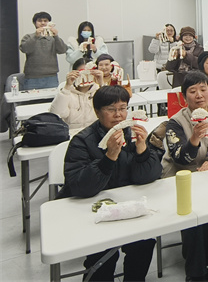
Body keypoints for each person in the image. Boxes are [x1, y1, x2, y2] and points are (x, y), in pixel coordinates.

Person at [58, 85, 161, 281]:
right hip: (92, 210)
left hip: (128, 206)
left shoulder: (132, 134)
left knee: (144, 243)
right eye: (111, 109)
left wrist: (142, 150)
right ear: (97, 112)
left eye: (123, 108)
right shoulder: (83, 141)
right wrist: (109, 157)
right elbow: (80, 186)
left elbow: (149, 177)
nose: (118, 115)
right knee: (103, 254)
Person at [162, 71, 208, 281]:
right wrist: (194, 138)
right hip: (182, 177)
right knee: (194, 215)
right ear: (184, 96)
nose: (199, 95)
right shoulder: (176, 122)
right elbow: (179, 157)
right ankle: (195, 273)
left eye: (203, 89)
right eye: (192, 91)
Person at [50, 58, 103, 130]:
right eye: (81, 74)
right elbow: (57, 114)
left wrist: (102, 85)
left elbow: (109, 111)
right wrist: (67, 87)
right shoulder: (66, 91)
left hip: (94, 132)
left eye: (88, 74)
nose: (85, 78)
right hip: (71, 132)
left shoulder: (98, 90)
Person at [19, 11, 67, 89]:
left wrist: (56, 36)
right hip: (32, 78)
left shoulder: (53, 38)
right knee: (31, 97)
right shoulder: (28, 37)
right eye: (40, 21)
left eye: (45, 21)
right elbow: (24, 49)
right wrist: (36, 36)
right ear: (35, 23)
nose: (43, 23)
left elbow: (62, 50)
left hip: (51, 77)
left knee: (52, 97)